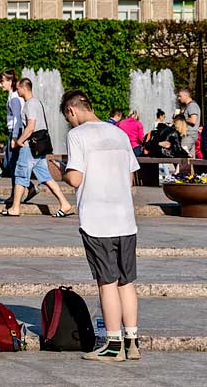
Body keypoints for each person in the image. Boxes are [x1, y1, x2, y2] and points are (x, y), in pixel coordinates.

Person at [61, 89, 141, 361]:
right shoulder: (118, 133)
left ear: (71, 111)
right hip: (126, 220)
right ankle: (132, 342)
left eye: (68, 118)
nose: (70, 123)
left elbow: (75, 178)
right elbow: (131, 178)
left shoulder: (77, 136)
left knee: (107, 282)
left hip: (97, 221)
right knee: (127, 282)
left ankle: (113, 345)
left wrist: (59, 170)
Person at [2, 77, 71, 217]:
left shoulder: (30, 104)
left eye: (18, 88)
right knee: (46, 177)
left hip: (29, 147)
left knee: (20, 175)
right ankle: (65, 203)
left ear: (24, 88)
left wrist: (20, 141)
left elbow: (31, 126)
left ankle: (15, 208)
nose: (17, 90)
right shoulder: (37, 103)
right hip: (38, 147)